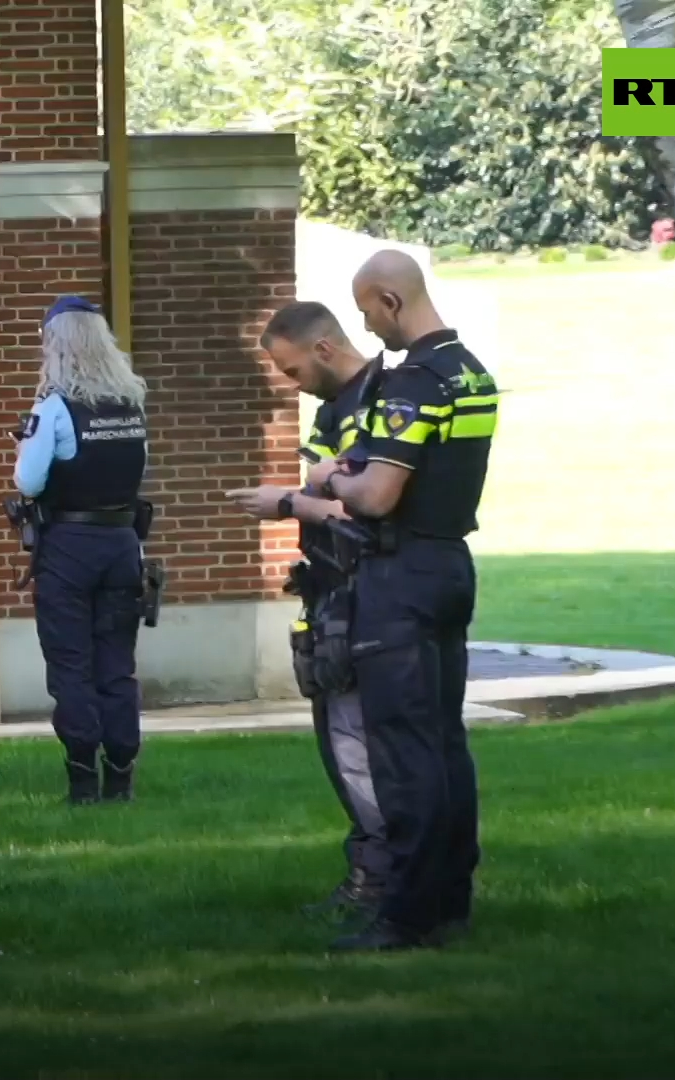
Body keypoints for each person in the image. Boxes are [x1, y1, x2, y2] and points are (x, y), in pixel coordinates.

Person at [309, 250, 499, 952]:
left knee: (402, 752)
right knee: (445, 744)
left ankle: (409, 915)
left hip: (401, 572)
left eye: (366, 310)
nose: (367, 324)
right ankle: (451, 899)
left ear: (391, 299)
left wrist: (333, 477)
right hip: (450, 560)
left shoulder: (413, 381)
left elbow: (378, 493)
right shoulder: (470, 369)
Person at [224, 301, 391, 921]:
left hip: (361, 594)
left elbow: (364, 508)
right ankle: (374, 870)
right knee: (341, 741)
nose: (289, 383)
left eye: (291, 370)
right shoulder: (334, 409)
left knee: (356, 745)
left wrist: (289, 503)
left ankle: (378, 877)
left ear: (323, 348)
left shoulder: (375, 404)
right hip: (329, 593)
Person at [11, 296, 149, 804]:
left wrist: (24, 449)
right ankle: (121, 778)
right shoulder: (131, 404)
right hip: (122, 542)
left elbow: (28, 481)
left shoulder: (54, 406)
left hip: (69, 545)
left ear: (56, 344)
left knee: (71, 663)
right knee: (117, 663)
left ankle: (82, 782)